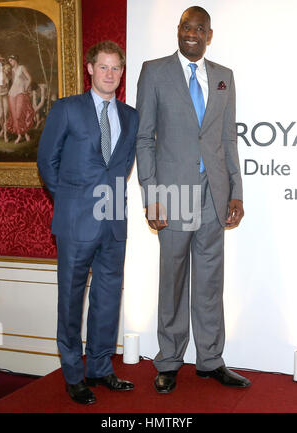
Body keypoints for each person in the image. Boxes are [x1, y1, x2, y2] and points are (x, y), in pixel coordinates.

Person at [136, 6, 251, 393]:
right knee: (172, 280)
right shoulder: (154, 71)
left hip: (213, 194)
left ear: (209, 35)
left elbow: (228, 139)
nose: (193, 33)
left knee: (209, 281)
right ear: (179, 29)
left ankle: (210, 360)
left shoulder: (224, 78)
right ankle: (168, 360)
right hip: (171, 194)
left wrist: (236, 191)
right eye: (187, 26)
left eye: (200, 29)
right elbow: (145, 138)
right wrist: (151, 195)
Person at [37, 41, 139, 405]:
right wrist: (72, 199)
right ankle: (73, 374)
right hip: (76, 221)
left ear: (121, 73)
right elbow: (47, 162)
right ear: (90, 69)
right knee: (70, 300)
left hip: (113, 220)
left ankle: (100, 368)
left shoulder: (131, 115)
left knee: (108, 299)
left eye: (116, 69)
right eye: (104, 67)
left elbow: (121, 165)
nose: (110, 74)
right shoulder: (67, 109)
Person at [7, 55, 34, 144]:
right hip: (12, 94)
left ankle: (25, 133)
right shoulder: (11, 70)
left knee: (19, 115)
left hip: (20, 93)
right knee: (14, 116)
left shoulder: (22, 68)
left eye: (11, 60)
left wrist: (26, 89)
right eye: (9, 61)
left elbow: (29, 79)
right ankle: (19, 135)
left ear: (15, 60)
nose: (10, 62)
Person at [0, 53, 11, 143]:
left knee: (6, 114)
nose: (0, 62)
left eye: (1, 61)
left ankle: (5, 134)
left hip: (5, 94)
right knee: (1, 115)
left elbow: (8, 82)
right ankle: (3, 129)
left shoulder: (6, 69)